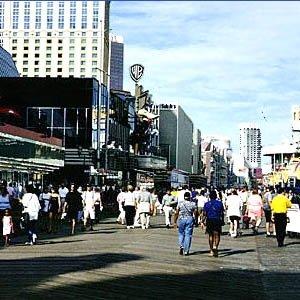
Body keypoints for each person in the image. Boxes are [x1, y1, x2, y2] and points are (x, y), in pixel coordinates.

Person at [202, 190, 224, 257]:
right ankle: (216, 247)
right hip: (217, 219)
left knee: (211, 235)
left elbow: (204, 214)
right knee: (217, 235)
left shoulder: (206, 204)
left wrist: (202, 221)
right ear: (216, 196)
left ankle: (211, 250)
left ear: (209, 196)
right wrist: (222, 221)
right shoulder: (220, 203)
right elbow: (222, 213)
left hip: (209, 220)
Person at [174, 192, 197, 256]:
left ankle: (181, 245)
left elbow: (176, 212)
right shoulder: (193, 204)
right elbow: (195, 213)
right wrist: (195, 220)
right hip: (189, 219)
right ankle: (186, 251)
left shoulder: (180, 203)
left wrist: (175, 221)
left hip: (181, 219)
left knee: (181, 233)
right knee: (188, 235)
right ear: (190, 197)